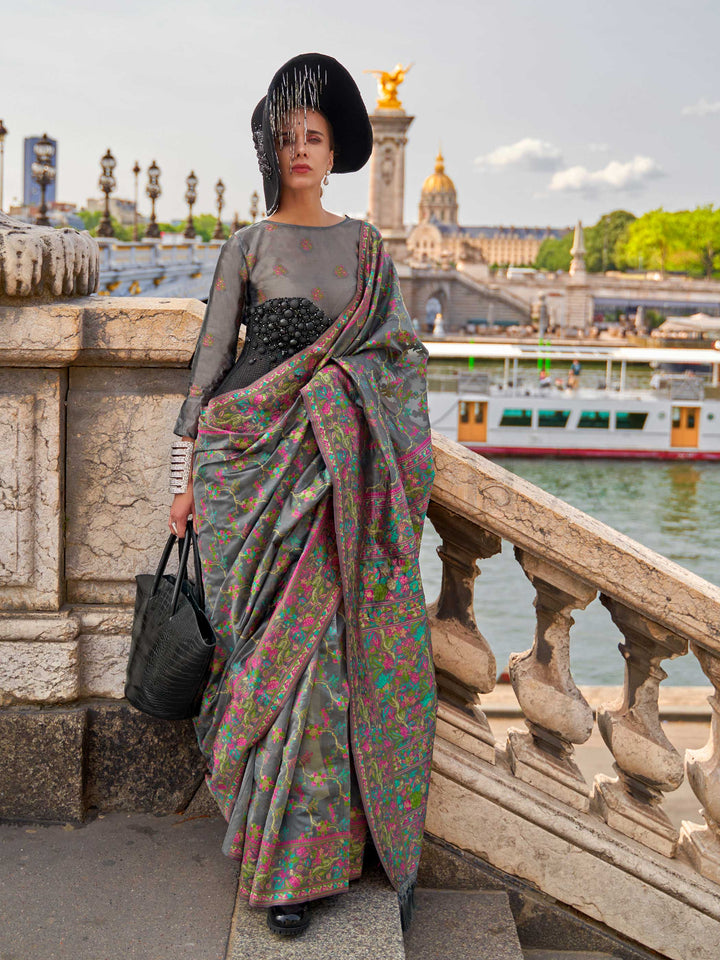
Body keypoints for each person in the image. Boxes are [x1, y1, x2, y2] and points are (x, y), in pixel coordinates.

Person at [168, 53, 436, 938]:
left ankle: (300, 866)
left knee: (317, 674)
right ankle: (264, 838)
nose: (302, 151)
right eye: (288, 138)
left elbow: (397, 362)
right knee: (259, 663)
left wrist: (333, 395)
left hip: (329, 477)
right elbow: (207, 371)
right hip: (244, 472)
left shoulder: (367, 251)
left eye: (315, 137)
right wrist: (183, 489)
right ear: (270, 149)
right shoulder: (243, 248)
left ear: (335, 150)